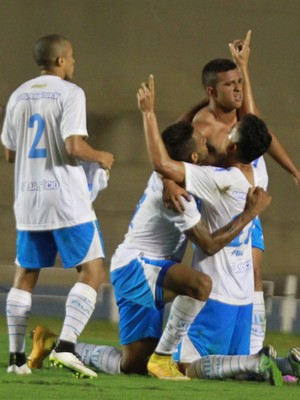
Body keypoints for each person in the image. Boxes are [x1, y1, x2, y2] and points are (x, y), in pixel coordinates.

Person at [27, 117, 272, 380]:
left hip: (138, 267)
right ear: (192, 155)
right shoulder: (180, 196)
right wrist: (251, 212)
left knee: (133, 364)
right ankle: (163, 358)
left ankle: (49, 344)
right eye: (203, 143)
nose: (210, 143)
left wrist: (165, 175)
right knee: (200, 286)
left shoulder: (178, 177)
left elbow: (169, 150)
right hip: (138, 266)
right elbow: (209, 244)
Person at [136, 74, 284, 385]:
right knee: (231, 369)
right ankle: (265, 361)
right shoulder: (260, 174)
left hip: (215, 295)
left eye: (232, 131)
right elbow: (251, 127)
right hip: (243, 298)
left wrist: (149, 114)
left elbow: (164, 163)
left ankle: (258, 362)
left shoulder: (220, 179)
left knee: (185, 366)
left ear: (234, 142)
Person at [173, 31, 300, 356]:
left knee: (254, 274)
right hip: (223, 207)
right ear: (212, 91)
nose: (238, 88)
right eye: (231, 84)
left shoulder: (243, 121)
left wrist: (294, 171)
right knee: (213, 278)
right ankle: (185, 343)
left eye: (239, 82)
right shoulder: (204, 127)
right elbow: (174, 146)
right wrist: (171, 182)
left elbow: (262, 132)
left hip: (250, 199)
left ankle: (254, 349)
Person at [1, 34, 114, 378]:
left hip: (29, 198)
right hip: (65, 198)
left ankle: (16, 359)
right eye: (73, 56)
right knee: (92, 270)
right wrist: (102, 156)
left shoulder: (18, 95)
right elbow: (74, 147)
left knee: (26, 275)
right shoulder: (70, 93)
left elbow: (8, 153)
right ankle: (65, 347)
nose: (74, 63)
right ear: (62, 61)